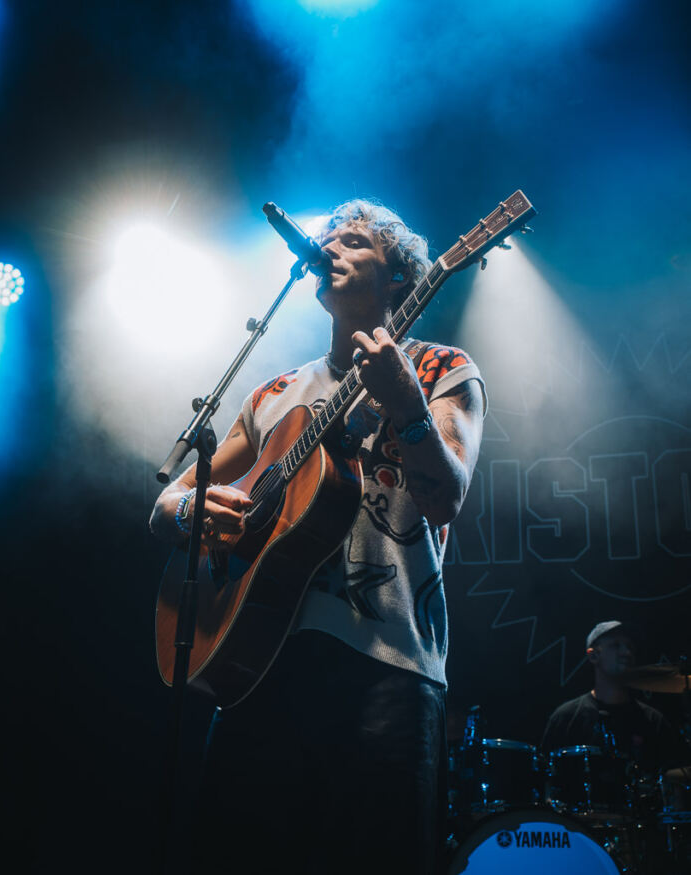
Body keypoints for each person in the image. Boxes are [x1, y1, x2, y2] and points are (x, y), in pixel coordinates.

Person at [150, 199, 486, 874]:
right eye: (327, 238)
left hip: (387, 669)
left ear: (400, 277)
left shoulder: (441, 368)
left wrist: (406, 406)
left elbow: (445, 496)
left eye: (354, 240)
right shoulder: (274, 392)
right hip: (258, 664)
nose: (330, 246)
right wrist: (192, 515)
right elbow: (166, 501)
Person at [541, 620, 682, 774]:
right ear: (594, 655)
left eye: (630, 647)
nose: (627, 653)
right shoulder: (566, 717)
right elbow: (544, 778)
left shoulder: (654, 722)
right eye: (616, 645)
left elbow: (674, 782)